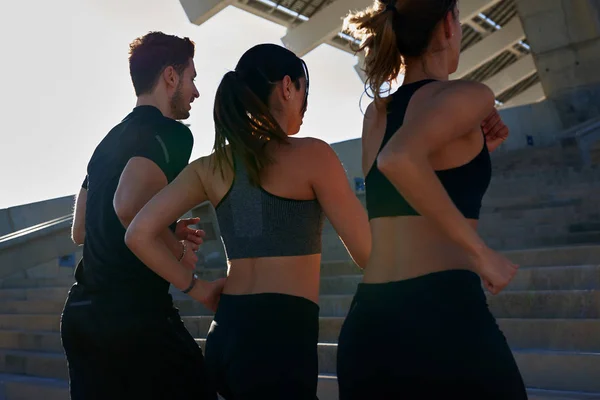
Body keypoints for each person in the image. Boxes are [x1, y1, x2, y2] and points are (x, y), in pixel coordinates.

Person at [125, 43, 371, 399]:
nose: (305, 104)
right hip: (279, 343)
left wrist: (196, 288)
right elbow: (368, 254)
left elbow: (138, 233)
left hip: (225, 334)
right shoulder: (313, 155)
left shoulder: (212, 166)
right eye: (305, 91)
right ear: (288, 87)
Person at [336, 1, 527, 399]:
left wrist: (474, 152)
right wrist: (481, 253)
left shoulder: (377, 114)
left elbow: (403, 190)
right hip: (442, 318)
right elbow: (400, 159)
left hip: (369, 325)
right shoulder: (472, 94)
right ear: (447, 26)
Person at [61, 31, 223, 400]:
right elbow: (128, 207)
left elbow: (82, 229)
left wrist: (165, 226)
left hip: (83, 317)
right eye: (192, 78)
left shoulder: (107, 141)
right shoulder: (173, 134)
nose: (196, 91)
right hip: (134, 317)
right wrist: (190, 275)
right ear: (170, 77)